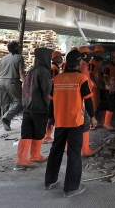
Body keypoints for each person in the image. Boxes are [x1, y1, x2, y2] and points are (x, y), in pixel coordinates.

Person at [44, 50, 95, 197]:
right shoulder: (82, 79)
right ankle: (71, 188)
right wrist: (92, 117)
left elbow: (51, 101)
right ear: (79, 63)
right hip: (75, 121)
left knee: (56, 150)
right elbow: (88, 100)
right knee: (73, 153)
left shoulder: (58, 79)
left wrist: (50, 118)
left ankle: (49, 181)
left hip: (60, 121)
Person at [16, 47, 53, 168]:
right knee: (38, 132)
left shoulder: (32, 70)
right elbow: (47, 92)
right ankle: (34, 155)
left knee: (26, 133)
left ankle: (21, 159)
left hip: (27, 107)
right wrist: (50, 108)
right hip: (38, 107)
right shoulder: (44, 72)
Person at [0, 40, 26, 131]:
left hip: (1, 81)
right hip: (12, 81)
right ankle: (6, 118)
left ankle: (6, 124)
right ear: (16, 48)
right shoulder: (19, 57)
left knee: (4, 103)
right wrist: (25, 83)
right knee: (18, 101)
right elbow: (21, 72)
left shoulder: (3, 58)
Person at [43, 51, 65, 143]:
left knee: (52, 114)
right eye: (60, 57)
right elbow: (53, 82)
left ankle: (47, 135)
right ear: (55, 58)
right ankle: (47, 136)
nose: (61, 58)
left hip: (52, 93)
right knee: (51, 115)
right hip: (53, 94)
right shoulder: (54, 68)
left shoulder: (55, 68)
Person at [102, 51, 115, 131]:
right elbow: (104, 77)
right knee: (112, 105)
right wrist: (109, 86)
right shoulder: (108, 67)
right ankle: (107, 124)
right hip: (109, 89)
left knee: (112, 105)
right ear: (114, 58)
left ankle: (106, 123)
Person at [88, 45, 105, 127]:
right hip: (93, 86)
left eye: (103, 53)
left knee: (95, 104)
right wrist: (98, 84)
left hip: (97, 87)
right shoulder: (92, 62)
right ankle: (89, 124)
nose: (103, 54)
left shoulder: (99, 62)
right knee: (93, 105)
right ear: (96, 53)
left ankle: (91, 123)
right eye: (101, 53)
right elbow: (90, 74)